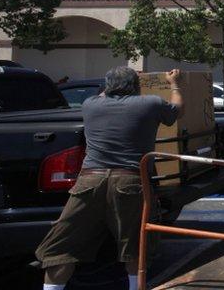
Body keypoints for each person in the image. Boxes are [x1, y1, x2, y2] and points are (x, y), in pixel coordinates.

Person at [35, 66, 184, 290]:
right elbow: (177, 110)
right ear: (136, 86)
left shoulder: (90, 105)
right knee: (135, 247)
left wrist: (121, 79)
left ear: (106, 86)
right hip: (130, 181)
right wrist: (174, 83)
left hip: (89, 182)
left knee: (62, 249)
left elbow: (105, 93)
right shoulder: (150, 104)